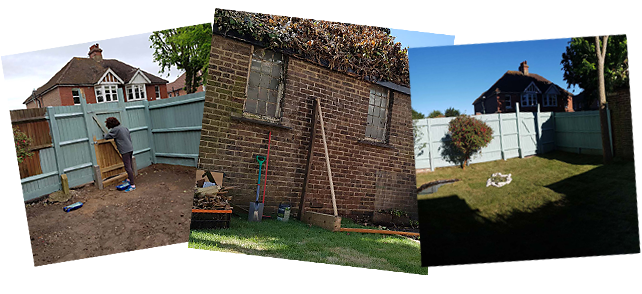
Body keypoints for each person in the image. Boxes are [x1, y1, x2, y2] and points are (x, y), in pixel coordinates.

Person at [104, 117, 136, 192]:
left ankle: (132, 185)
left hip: (124, 150)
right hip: (130, 148)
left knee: (127, 167)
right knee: (130, 165)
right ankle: (129, 179)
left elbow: (107, 137)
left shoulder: (115, 130)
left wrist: (104, 134)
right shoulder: (124, 128)